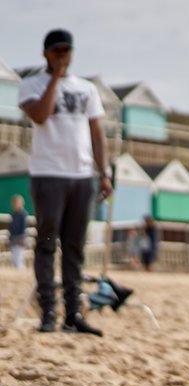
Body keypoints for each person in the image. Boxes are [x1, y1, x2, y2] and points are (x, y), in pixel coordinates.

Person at [18, 29, 112, 336]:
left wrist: (105, 172)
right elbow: (41, 116)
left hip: (81, 176)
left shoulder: (87, 89)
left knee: (75, 247)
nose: (63, 56)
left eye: (67, 51)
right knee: (47, 243)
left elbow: (97, 133)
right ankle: (48, 312)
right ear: (45, 53)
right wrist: (55, 79)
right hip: (48, 174)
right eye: (57, 51)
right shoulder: (31, 84)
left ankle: (74, 314)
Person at [8, 195, 28, 269]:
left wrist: (22, 238)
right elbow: (11, 227)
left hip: (20, 239)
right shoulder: (13, 214)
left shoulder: (23, 214)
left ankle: (21, 272)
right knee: (14, 258)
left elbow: (23, 228)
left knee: (19, 258)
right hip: (13, 239)